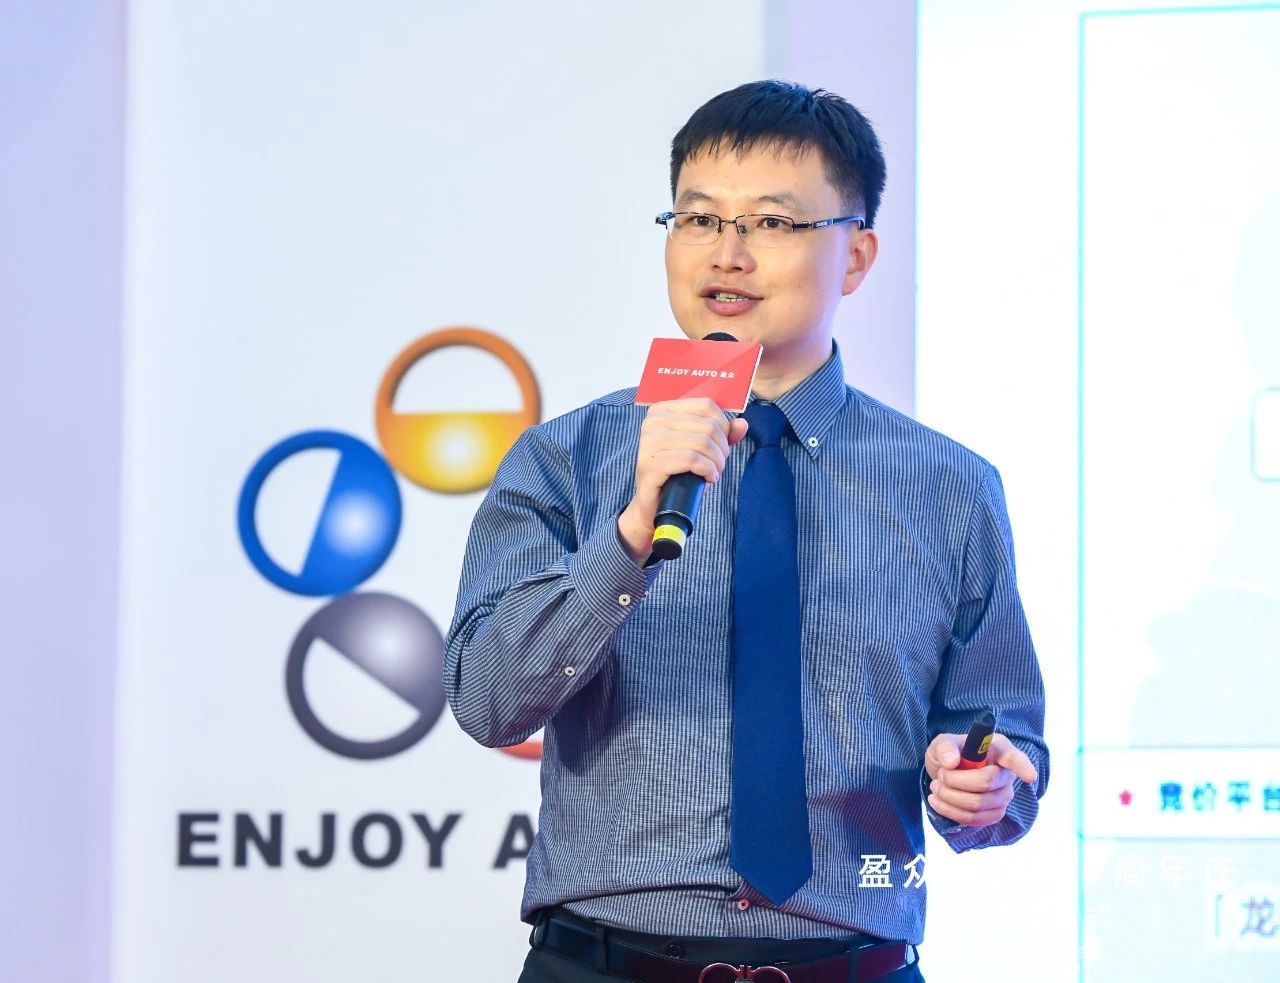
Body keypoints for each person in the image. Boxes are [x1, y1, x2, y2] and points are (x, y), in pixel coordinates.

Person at [445, 80, 1048, 983]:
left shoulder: (949, 486)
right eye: (698, 219)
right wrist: (628, 537)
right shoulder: (567, 457)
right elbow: (489, 698)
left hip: (857, 962)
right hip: (603, 964)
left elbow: (1003, 740)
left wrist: (983, 782)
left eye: (771, 222)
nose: (727, 254)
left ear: (856, 255)